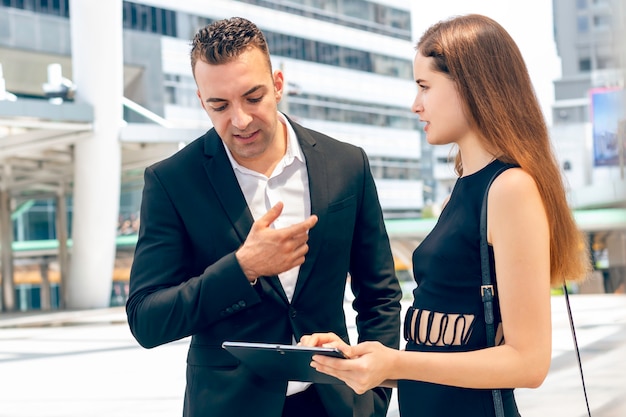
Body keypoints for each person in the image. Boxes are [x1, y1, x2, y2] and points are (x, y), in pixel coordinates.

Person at [301, 14, 591, 417]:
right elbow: (441, 356)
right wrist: (360, 360)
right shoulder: (464, 186)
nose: (415, 104)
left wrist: (397, 362)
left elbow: (529, 362)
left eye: (424, 86)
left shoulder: (509, 188)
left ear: (471, 86)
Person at [125, 16, 402, 417]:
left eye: (252, 97)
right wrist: (242, 268)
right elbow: (147, 320)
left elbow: (380, 294)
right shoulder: (172, 181)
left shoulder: (346, 164)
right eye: (219, 105)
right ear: (202, 101)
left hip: (336, 404)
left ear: (277, 84)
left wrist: (373, 400)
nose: (239, 120)